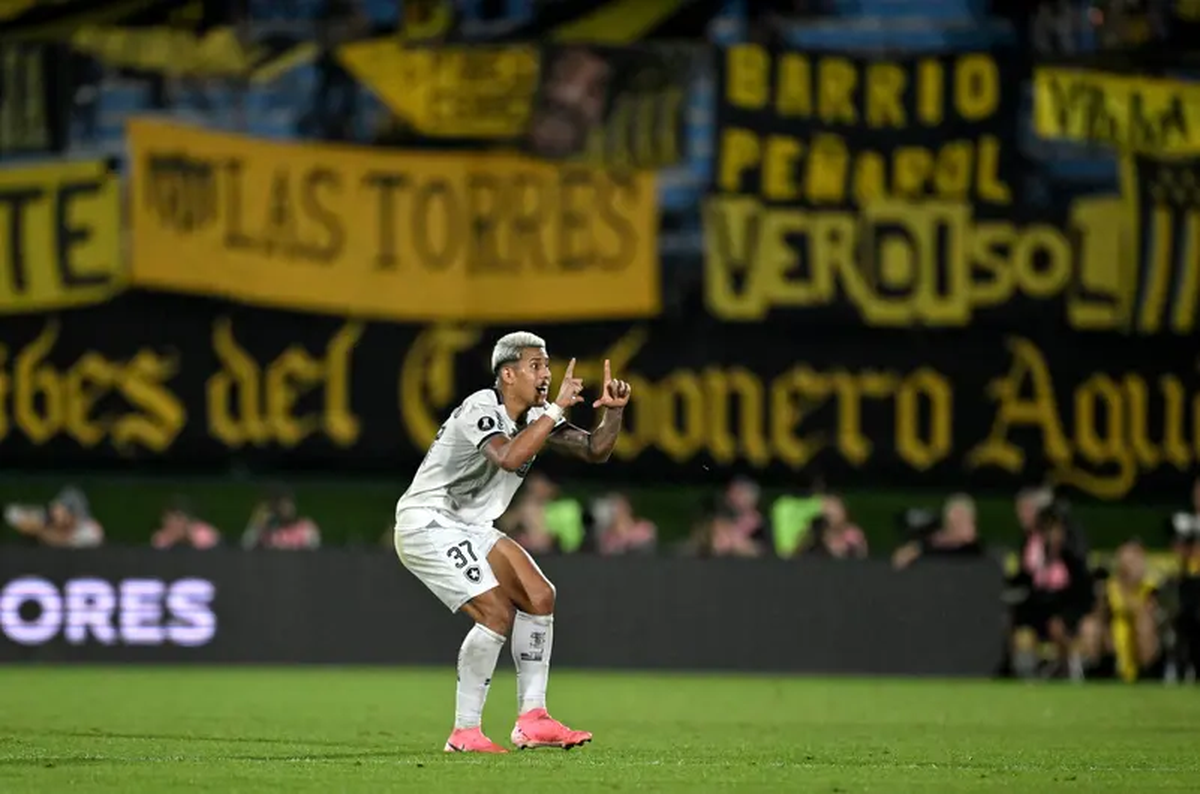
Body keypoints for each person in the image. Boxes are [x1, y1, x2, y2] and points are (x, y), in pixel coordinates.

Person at [392, 331, 631, 754]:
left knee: (540, 595)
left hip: (471, 525)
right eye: (535, 366)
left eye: (547, 365)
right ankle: (465, 732)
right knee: (495, 613)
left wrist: (612, 413)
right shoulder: (481, 407)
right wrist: (555, 409)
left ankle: (532, 719)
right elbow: (508, 457)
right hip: (427, 521)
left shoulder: (537, 416)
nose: (546, 375)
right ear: (507, 374)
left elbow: (596, 450)